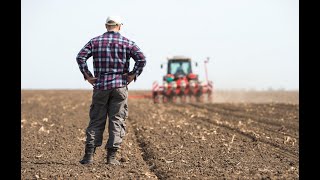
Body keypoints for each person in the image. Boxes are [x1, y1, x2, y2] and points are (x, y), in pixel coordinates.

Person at [76, 16, 146, 165]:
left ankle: (89, 157)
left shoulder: (94, 42)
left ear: (106, 26)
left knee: (96, 120)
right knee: (117, 120)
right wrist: (133, 75)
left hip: (101, 86)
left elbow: (80, 57)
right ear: (119, 26)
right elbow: (142, 59)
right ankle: (111, 158)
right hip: (120, 86)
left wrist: (88, 76)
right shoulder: (128, 42)